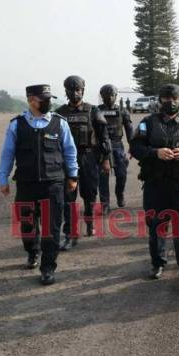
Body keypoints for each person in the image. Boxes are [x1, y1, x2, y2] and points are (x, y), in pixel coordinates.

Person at [0, 84, 78, 285]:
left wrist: (73, 176)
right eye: (45, 99)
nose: (49, 102)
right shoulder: (16, 124)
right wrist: (3, 179)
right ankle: (32, 252)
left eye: (50, 98)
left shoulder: (60, 124)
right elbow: (7, 154)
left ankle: (48, 267)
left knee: (52, 228)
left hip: (53, 185)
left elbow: (69, 151)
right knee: (27, 225)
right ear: (32, 100)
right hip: (26, 185)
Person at [130, 83, 179, 292]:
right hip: (155, 186)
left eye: (174, 98)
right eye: (166, 98)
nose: (170, 101)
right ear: (160, 100)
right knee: (156, 229)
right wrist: (155, 153)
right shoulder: (148, 123)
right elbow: (135, 147)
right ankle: (158, 263)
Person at [56, 75, 112, 250]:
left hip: (88, 157)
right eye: (71, 90)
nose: (75, 93)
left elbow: (104, 137)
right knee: (68, 199)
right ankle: (70, 235)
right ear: (66, 91)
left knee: (90, 196)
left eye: (78, 89)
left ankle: (89, 224)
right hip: (66, 160)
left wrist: (106, 160)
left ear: (83, 90)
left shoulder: (93, 110)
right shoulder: (59, 113)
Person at [98, 84, 133, 213]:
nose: (109, 98)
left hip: (117, 145)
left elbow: (129, 130)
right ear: (102, 96)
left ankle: (120, 193)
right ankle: (105, 204)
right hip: (102, 146)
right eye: (106, 95)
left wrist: (132, 146)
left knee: (121, 175)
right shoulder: (96, 111)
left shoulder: (122, 111)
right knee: (102, 178)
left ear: (116, 96)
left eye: (112, 95)